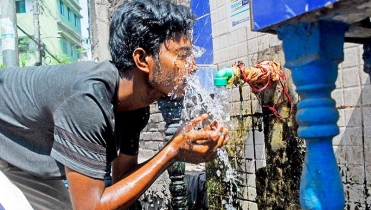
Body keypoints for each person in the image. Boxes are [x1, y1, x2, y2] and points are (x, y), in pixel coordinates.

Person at [0, 0, 229, 209]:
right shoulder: (87, 101)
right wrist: (172, 152)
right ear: (141, 59)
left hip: (21, 155)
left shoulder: (135, 108)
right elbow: (91, 207)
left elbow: (123, 180)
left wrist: (175, 151)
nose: (193, 66)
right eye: (183, 56)